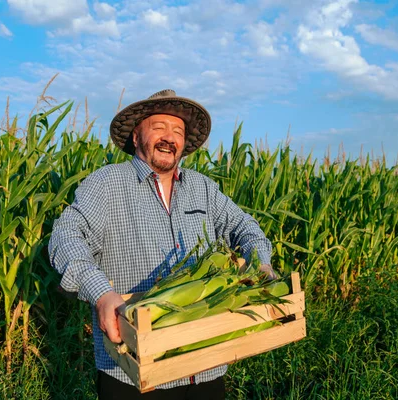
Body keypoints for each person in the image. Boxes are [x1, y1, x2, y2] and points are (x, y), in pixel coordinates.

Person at [49, 89, 276, 399]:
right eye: (159, 127)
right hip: (134, 372)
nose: (170, 137)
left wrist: (260, 263)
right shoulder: (107, 184)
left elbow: (245, 227)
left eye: (178, 131)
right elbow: (66, 234)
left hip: (205, 367)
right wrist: (101, 294)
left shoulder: (203, 188)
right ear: (136, 135)